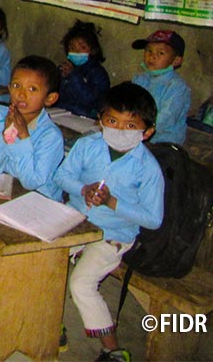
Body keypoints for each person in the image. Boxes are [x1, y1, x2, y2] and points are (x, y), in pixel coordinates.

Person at [53, 82, 164, 362]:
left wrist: (113, 203)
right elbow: (62, 176)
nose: (119, 130)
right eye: (112, 121)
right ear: (100, 120)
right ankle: (52, 323)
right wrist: (83, 189)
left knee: (82, 284)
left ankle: (112, 349)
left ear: (147, 132)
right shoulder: (87, 145)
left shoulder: (148, 168)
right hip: (76, 219)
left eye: (130, 125)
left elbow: (153, 219)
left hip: (112, 233)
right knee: (43, 263)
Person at [0, 56, 64, 201]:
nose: (21, 94)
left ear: (50, 98)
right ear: (9, 88)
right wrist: (5, 136)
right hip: (6, 190)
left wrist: (24, 137)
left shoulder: (50, 136)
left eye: (32, 89)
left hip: (41, 200)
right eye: (16, 85)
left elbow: (31, 182)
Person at [131, 30, 191, 145]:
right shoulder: (139, 79)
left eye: (160, 53)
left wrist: (136, 128)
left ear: (176, 60)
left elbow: (166, 118)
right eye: (149, 51)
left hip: (164, 142)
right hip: (137, 133)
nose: (152, 56)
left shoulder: (177, 87)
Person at [56, 20, 110, 119]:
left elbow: (89, 100)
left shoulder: (97, 73)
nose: (77, 52)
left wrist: (73, 76)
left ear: (93, 50)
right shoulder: (67, 68)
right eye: (72, 48)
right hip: (64, 113)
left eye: (83, 47)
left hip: (86, 116)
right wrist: (62, 78)